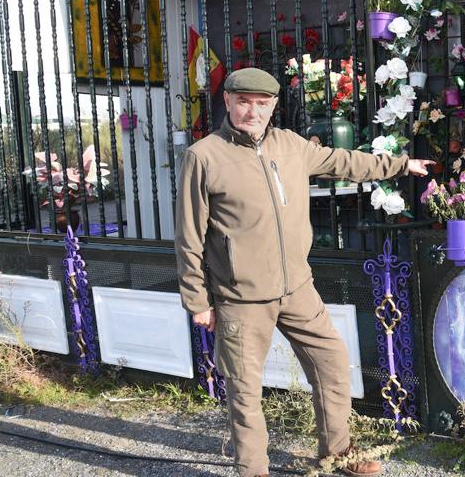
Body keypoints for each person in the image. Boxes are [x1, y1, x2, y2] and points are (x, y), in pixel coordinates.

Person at [175, 67, 432, 477]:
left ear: (274, 106)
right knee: (244, 391)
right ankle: (253, 469)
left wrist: (401, 165)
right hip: (240, 298)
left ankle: (337, 453)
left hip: (297, 288)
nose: (252, 112)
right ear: (227, 102)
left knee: (331, 362)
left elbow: (345, 161)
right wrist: (198, 301)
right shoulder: (203, 156)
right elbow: (189, 236)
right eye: (243, 102)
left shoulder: (290, 145)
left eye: (262, 104)